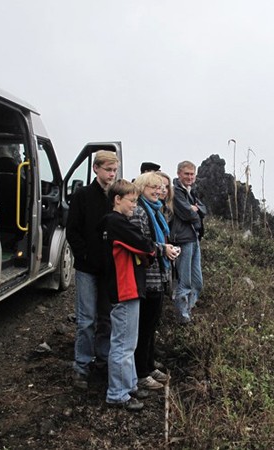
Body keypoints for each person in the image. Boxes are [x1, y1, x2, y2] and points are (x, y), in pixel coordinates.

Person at [99, 179, 155, 411]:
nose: (134, 205)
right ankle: (117, 393)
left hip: (128, 288)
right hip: (124, 288)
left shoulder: (115, 222)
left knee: (128, 342)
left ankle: (129, 384)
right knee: (122, 343)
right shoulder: (116, 222)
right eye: (131, 201)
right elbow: (145, 245)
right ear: (117, 199)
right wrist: (149, 250)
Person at [66, 150, 119, 389]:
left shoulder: (116, 197)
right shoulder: (82, 195)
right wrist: (84, 255)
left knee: (106, 318)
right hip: (88, 268)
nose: (112, 174)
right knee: (86, 319)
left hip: (109, 268)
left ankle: (103, 360)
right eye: (108, 169)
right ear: (96, 168)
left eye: (115, 170)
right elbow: (72, 230)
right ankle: (82, 366)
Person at [130, 173, 179, 391]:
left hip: (157, 275)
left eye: (160, 187)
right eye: (153, 187)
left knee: (152, 324)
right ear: (142, 187)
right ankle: (141, 373)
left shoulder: (154, 210)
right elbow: (141, 243)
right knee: (144, 326)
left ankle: (148, 366)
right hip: (147, 276)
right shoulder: (139, 212)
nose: (158, 191)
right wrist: (163, 249)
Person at [169, 161, 206, 323]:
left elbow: (204, 209)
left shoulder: (191, 191)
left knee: (197, 283)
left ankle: (187, 312)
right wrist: (194, 210)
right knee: (184, 282)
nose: (190, 177)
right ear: (179, 174)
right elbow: (188, 214)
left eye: (192, 174)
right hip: (183, 239)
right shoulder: (175, 192)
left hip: (194, 237)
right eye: (186, 174)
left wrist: (196, 209)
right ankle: (182, 317)